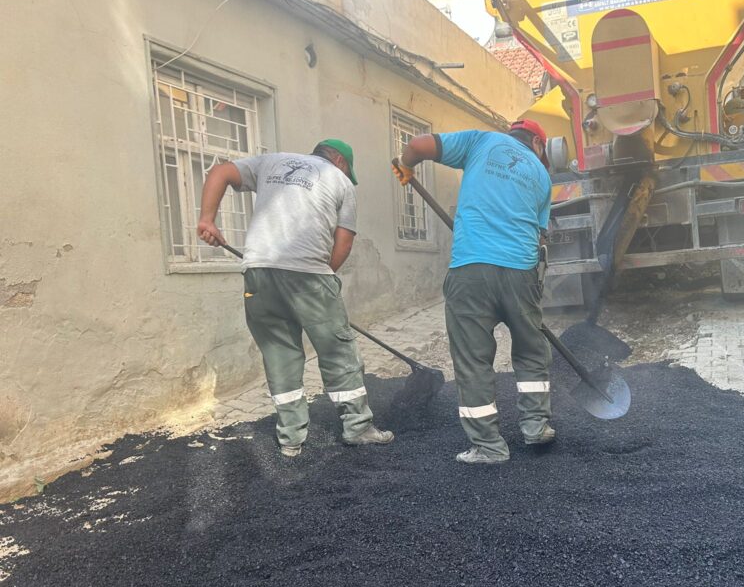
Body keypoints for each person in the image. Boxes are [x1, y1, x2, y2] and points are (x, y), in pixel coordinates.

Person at [197, 140, 394, 457]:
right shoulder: (341, 181)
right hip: (310, 274)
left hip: (259, 274)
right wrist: (324, 281)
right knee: (338, 351)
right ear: (340, 161)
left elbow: (220, 171)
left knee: (280, 354)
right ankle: (358, 428)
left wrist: (207, 219)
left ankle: (290, 440)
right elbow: (343, 242)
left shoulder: (270, 162)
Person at [393, 120, 553, 465]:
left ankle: (489, 447)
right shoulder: (542, 176)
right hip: (521, 272)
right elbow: (541, 238)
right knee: (531, 349)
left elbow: (419, 146)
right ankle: (536, 426)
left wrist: (406, 166)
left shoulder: (481, 141)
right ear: (538, 145)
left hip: (472, 268)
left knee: (473, 359)